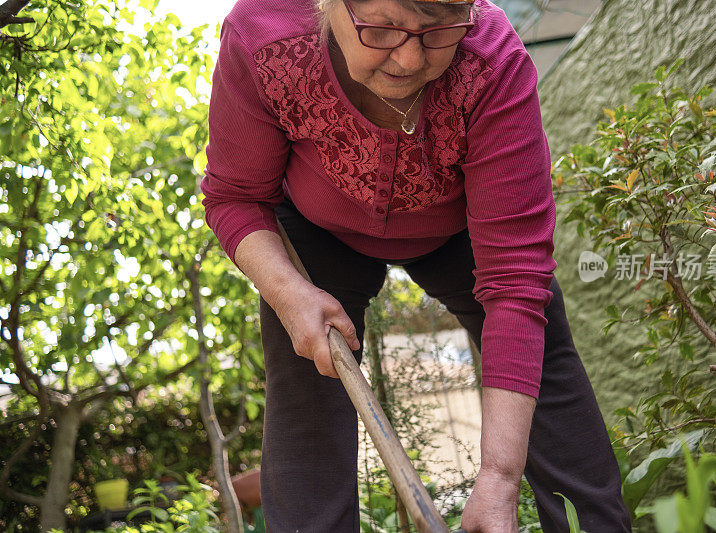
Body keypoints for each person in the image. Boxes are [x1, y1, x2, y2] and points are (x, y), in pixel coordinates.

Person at [200, 0, 632, 531]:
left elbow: (516, 281)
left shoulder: (492, 61)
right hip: (318, 230)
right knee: (304, 381)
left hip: (461, 228)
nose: (408, 59)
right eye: (382, 29)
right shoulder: (262, 35)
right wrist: (290, 294)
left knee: (539, 360)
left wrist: (498, 477)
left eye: (437, 32)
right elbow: (235, 197)